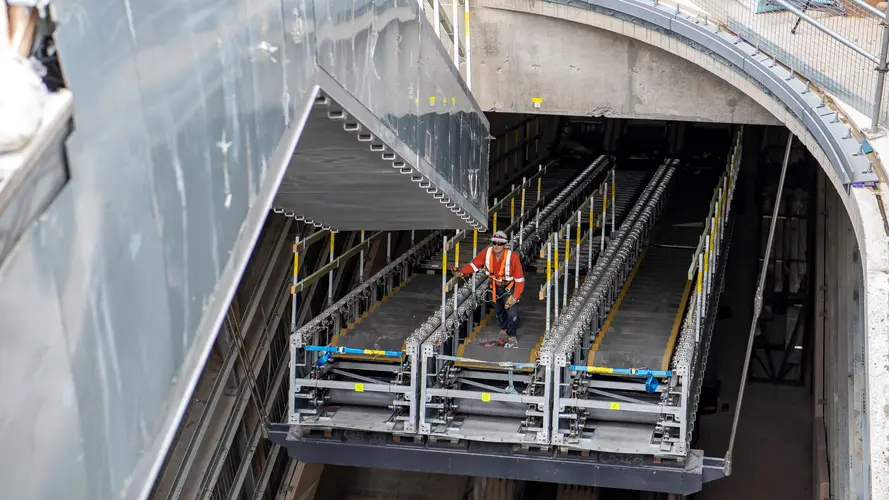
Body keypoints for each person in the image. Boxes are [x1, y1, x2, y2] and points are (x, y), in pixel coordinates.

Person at [451, 230, 525, 348]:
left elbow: (520, 280)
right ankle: (504, 329)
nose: (496, 246)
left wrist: (515, 297)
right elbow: (474, 265)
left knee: (512, 311)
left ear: (504, 245)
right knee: (498, 309)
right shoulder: (487, 253)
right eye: (494, 243)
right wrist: (461, 272)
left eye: (499, 243)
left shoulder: (513, 258)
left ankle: (511, 335)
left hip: (508, 287)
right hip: (494, 286)